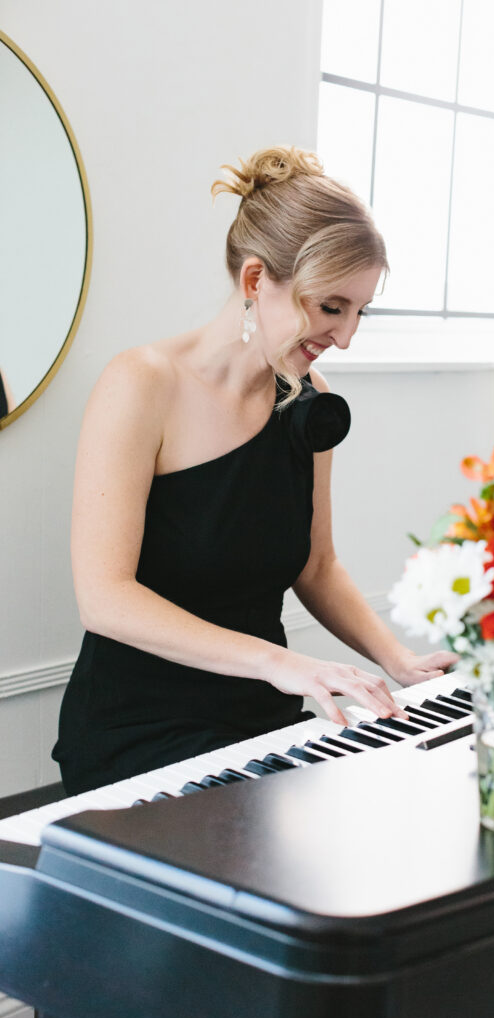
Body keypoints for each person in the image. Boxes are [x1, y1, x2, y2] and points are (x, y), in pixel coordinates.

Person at [52, 146, 457, 796]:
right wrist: (285, 665)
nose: (346, 335)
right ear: (253, 281)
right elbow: (105, 598)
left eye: (359, 311)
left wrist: (399, 661)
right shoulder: (141, 384)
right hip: (139, 734)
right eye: (330, 307)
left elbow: (316, 567)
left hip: (262, 723)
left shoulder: (307, 397)